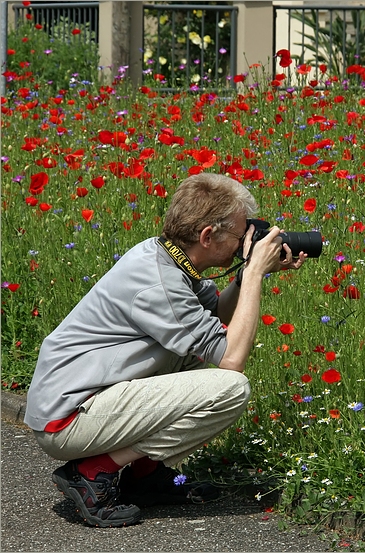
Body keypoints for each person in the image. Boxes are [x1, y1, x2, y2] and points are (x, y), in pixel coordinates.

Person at [24, 173, 307, 528]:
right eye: (239, 235)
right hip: (66, 420)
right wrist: (252, 275)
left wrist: (246, 275)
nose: (243, 243)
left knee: (191, 354)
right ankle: (94, 471)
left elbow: (216, 316)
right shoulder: (157, 280)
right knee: (231, 390)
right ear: (207, 236)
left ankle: (145, 475)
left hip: (83, 400)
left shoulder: (168, 259)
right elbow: (232, 359)